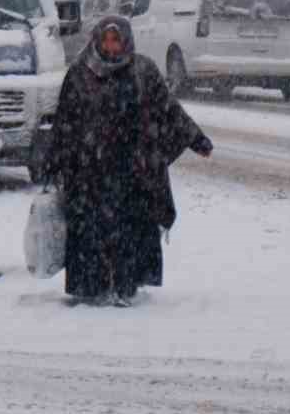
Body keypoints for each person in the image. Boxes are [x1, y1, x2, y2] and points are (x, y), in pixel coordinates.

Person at [42, 16, 214, 307]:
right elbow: (65, 122)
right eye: (106, 40)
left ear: (126, 41)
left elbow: (168, 109)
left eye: (116, 40)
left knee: (128, 231)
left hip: (132, 172)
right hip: (89, 174)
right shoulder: (80, 74)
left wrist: (197, 139)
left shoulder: (143, 71)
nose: (111, 47)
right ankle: (92, 287)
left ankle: (125, 285)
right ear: (97, 41)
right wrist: (52, 161)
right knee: (92, 231)